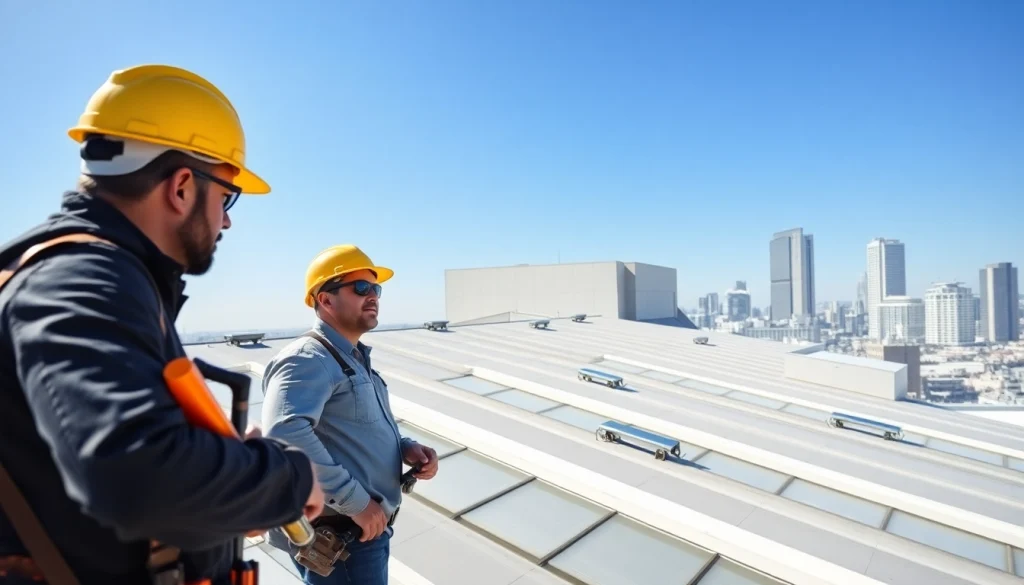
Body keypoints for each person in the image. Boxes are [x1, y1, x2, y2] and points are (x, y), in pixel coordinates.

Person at [0, 64, 324, 585]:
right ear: (180, 187)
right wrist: (288, 478)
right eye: (226, 197)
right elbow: (134, 477)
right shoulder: (84, 280)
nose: (226, 220)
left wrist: (231, 477)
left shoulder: (111, 280)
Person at [261, 245, 439, 585]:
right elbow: (285, 434)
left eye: (376, 289)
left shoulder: (350, 358)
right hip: (342, 535)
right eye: (360, 288)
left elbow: (351, 429)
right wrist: (356, 502)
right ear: (325, 300)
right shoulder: (307, 358)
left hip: (360, 531)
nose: (373, 296)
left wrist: (405, 447)